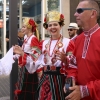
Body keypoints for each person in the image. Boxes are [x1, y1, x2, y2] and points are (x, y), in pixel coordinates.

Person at [64, 0, 100, 100]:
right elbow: (73, 65)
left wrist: (85, 90)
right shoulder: (78, 39)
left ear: (93, 13)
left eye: (79, 11)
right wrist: (71, 79)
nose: (75, 14)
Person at [37, 11, 75, 100]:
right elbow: (36, 59)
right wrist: (39, 69)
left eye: (55, 24)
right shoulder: (43, 43)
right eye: (50, 25)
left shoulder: (68, 42)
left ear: (61, 26)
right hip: (45, 78)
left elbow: (73, 63)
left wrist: (65, 59)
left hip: (59, 79)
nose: (52, 27)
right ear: (47, 28)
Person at [13, 17, 42, 100]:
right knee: (22, 88)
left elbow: (36, 56)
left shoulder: (33, 38)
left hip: (30, 70)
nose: (22, 28)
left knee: (27, 91)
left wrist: (22, 53)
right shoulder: (26, 38)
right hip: (25, 68)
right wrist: (19, 50)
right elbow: (25, 52)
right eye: (22, 27)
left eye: (24, 27)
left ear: (29, 28)